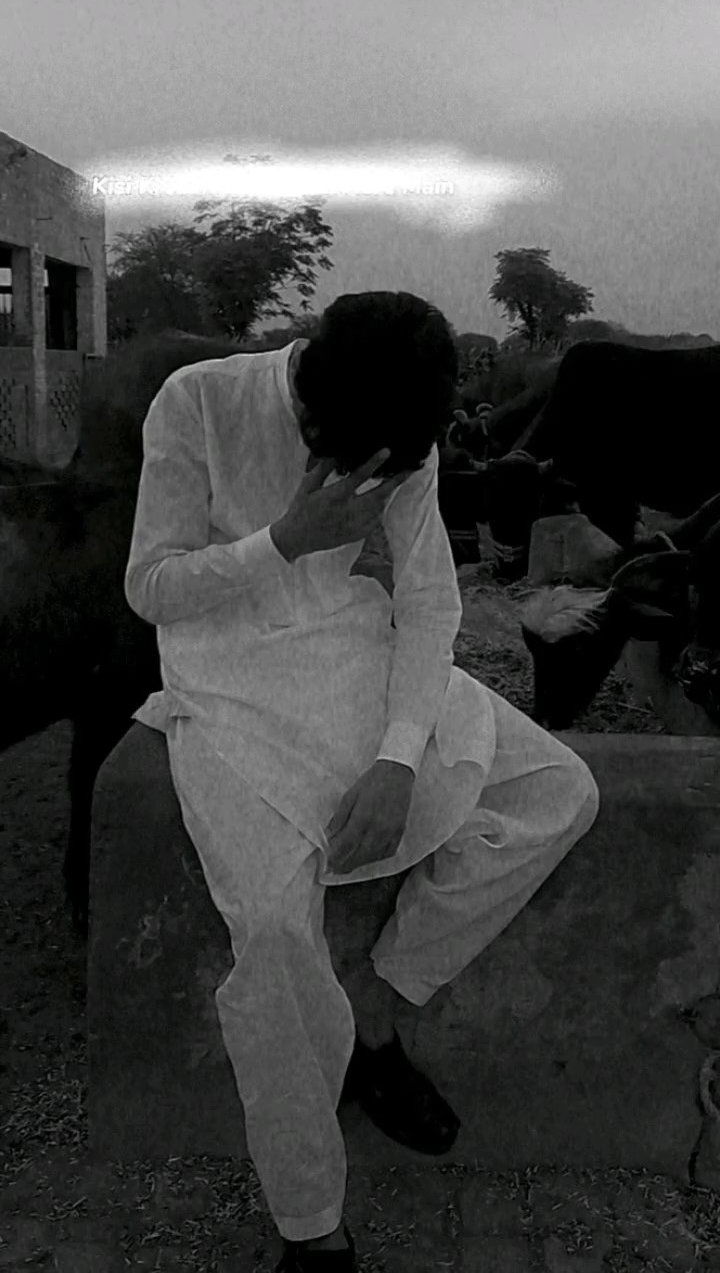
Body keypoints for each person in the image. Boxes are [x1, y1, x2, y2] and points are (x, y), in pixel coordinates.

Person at [124, 291, 599, 1271]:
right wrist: (285, 539)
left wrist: (396, 757)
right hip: (227, 683)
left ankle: (379, 1007)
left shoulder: (401, 437)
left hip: (354, 656)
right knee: (271, 930)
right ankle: (313, 1227)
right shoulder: (199, 401)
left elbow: (428, 602)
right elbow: (152, 588)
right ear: (309, 393)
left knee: (558, 792)